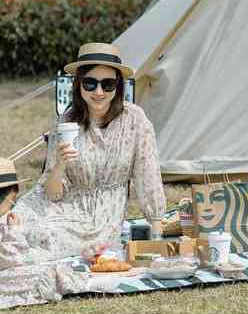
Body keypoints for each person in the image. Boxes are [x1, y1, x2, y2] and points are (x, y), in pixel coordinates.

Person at [14, 42, 166, 260]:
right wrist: (59, 165)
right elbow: (51, 193)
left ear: (118, 86)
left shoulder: (135, 120)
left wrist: (157, 231)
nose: (98, 92)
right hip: (61, 204)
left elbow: (148, 175)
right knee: (15, 225)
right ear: (78, 85)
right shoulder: (66, 121)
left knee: (45, 238)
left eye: (108, 84)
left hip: (102, 219)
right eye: (90, 83)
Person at [0, 156, 90, 309]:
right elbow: (10, 261)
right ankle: (91, 283)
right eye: (10, 200)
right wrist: (14, 231)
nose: (11, 206)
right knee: (45, 274)